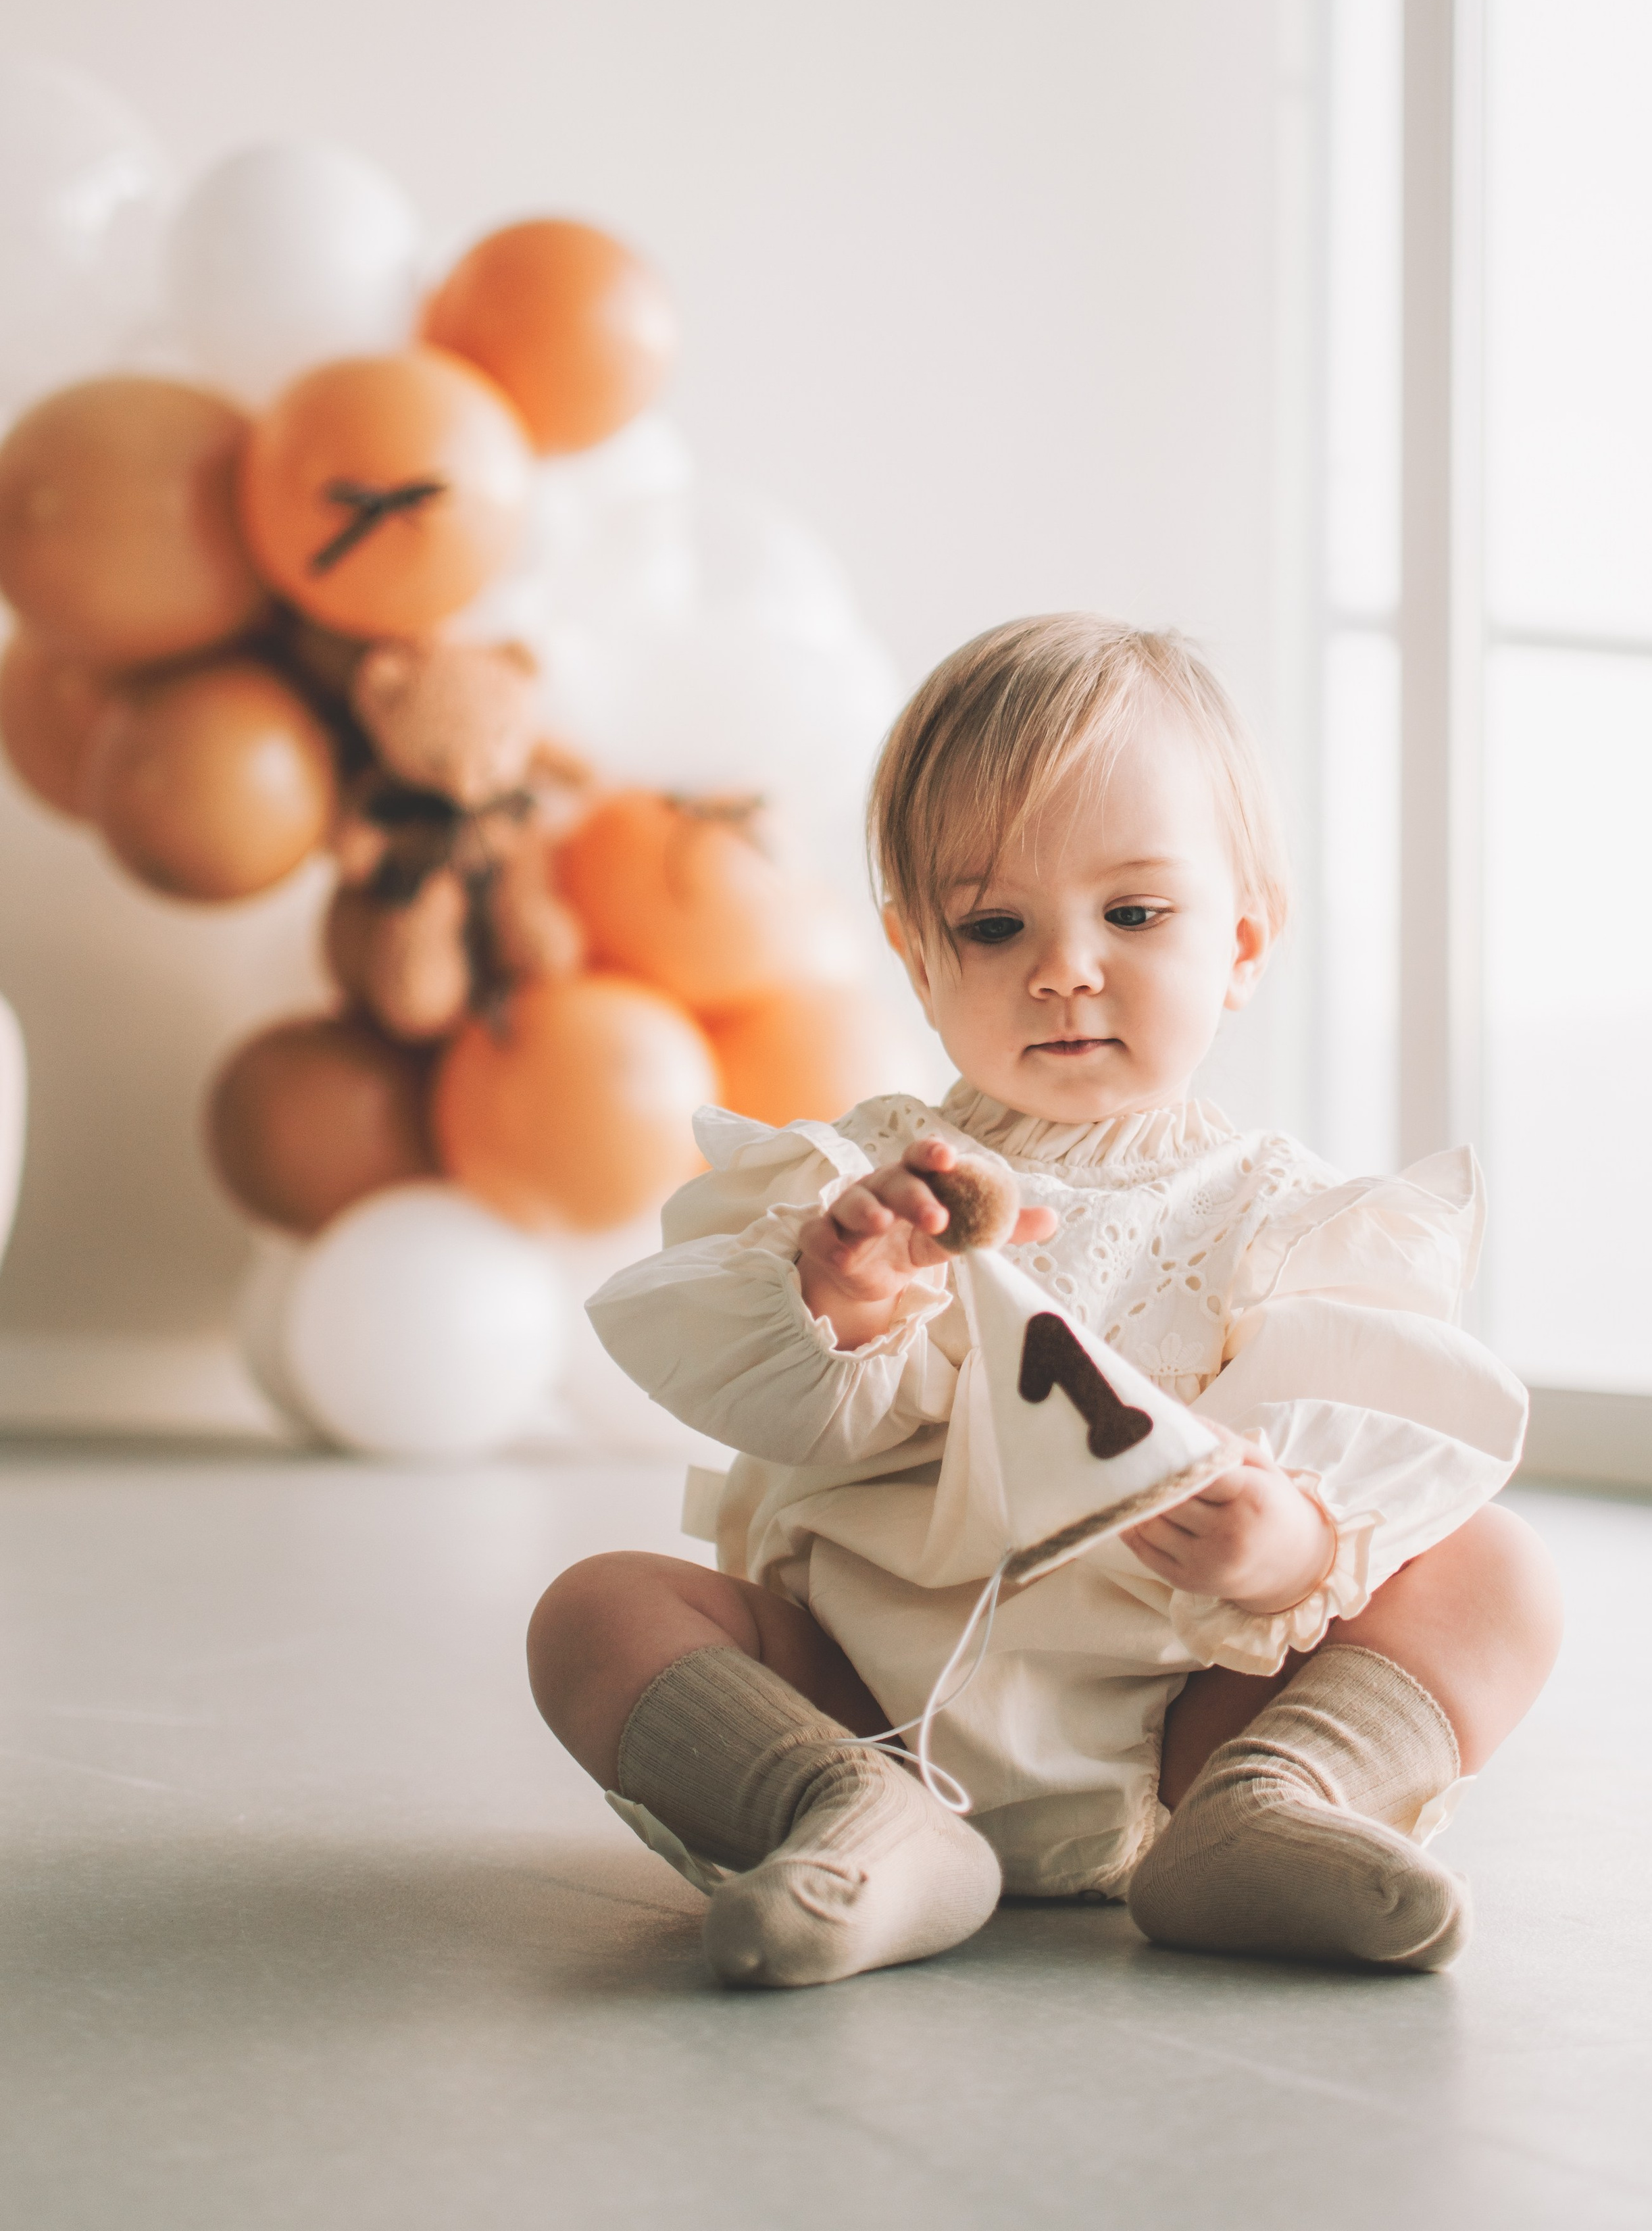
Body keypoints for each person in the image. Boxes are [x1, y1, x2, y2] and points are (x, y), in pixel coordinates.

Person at [527, 613, 1563, 1990]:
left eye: (1132, 915)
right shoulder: (870, 1178)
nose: (1064, 967)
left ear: (1241, 945)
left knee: (1496, 1572)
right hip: (873, 1698)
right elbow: (798, 1420)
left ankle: (1268, 1807)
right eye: (994, 924)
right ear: (917, 959)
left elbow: (1358, 1446)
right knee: (595, 1611)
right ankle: (843, 1812)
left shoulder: (1282, 1215)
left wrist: (1285, 1545)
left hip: (1192, 1711)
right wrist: (844, 1298)